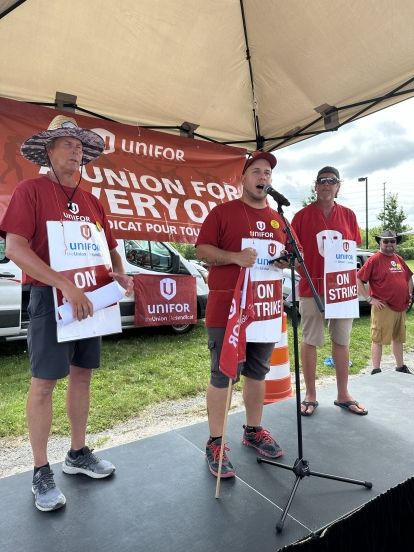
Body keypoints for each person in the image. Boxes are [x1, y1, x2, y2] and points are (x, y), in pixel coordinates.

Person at [0, 115, 133, 512]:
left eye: (79, 145)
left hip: (89, 300)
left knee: (83, 375)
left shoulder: (93, 198)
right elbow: (16, 249)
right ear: (48, 151)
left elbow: (109, 247)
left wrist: (120, 273)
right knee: (43, 383)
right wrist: (64, 284)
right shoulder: (31, 190)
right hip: (48, 297)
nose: (74, 150)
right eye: (65, 143)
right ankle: (41, 470)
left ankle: (77, 454)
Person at [196, 151, 297, 478]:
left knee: (258, 372)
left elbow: (296, 256)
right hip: (227, 311)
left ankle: (253, 430)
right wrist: (234, 257)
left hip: (264, 311)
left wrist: (286, 260)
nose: (263, 177)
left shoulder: (279, 218)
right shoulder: (223, 213)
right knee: (222, 374)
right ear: (242, 177)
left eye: (267, 172)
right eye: (256, 171)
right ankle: (215, 441)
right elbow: (203, 250)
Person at [291, 166, 367, 416]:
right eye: (322, 180)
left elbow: (350, 250)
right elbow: (292, 254)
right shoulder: (301, 216)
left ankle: (343, 393)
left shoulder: (348, 215)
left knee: (342, 341)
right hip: (311, 287)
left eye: (332, 181)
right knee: (310, 340)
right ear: (315, 185)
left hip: (342, 289)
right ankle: (310, 395)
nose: (326, 184)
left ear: (338, 186)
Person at [357, 229, 413, 375]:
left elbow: (408, 277)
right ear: (380, 242)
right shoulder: (374, 259)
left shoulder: (398, 259)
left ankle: (400, 366)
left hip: (400, 307)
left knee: (398, 338)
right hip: (383, 306)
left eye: (392, 241)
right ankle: (376, 370)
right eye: (386, 241)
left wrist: (410, 295)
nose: (389, 244)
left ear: (396, 243)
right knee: (378, 339)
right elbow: (359, 279)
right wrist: (369, 299)